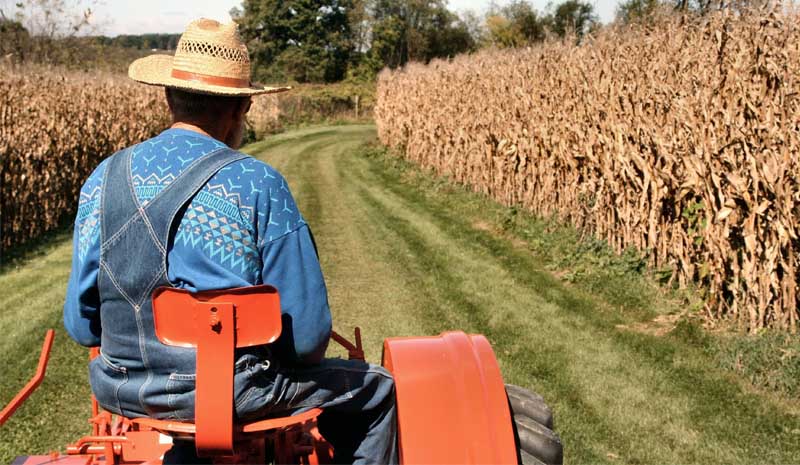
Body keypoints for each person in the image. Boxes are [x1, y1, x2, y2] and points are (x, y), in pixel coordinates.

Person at [62, 18, 397, 465]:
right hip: (233, 395)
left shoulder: (102, 180)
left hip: (122, 388)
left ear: (169, 98)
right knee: (378, 391)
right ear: (242, 109)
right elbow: (308, 340)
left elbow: (81, 326)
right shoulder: (257, 185)